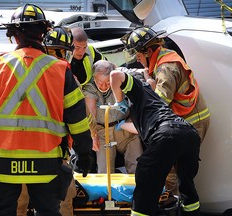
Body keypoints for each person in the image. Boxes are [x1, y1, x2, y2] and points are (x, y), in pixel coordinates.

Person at [0, 4, 93, 216]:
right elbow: (77, 120)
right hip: (46, 161)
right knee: (48, 211)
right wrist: (85, 153)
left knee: (2, 211)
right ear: (43, 34)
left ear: (12, 35)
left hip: (3, 162)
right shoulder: (60, 70)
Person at [121, 26, 210, 195]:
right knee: (179, 170)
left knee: (172, 170)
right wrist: (148, 77)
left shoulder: (166, 68)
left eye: (138, 56)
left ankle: (172, 203)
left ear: (147, 51)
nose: (138, 61)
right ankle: (180, 202)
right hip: (185, 121)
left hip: (191, 121)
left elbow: (159, 103)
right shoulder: (162, 59)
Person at [110, 68, 201, 216]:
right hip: (188, 133)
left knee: (146, 182)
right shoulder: (150, 94)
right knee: (186, 185)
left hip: (167, 134)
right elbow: (141, 127)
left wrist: (119, 101)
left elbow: (115, 75)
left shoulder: (137, 88)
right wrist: (121, 126)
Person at [16, 26, 78, 216]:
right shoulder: (65, 76)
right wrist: (84, 151)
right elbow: (80, 118)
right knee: (61, 202)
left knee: (18, 202)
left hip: (14, 154)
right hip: (52, 154)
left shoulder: (17, 68)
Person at [83, 60, 142, 174]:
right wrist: (93, 135)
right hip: (103, 133)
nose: (104, 86)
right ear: (94, 77)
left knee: (137, 166)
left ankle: (137, 191)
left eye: (107, 82)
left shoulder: (119, 79)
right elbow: (92, 113)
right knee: (105, 171)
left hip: (125, 130)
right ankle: (108, 192)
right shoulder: (90, 89)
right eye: (100, 81)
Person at [70, 27, 107, 173]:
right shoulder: (64, 56)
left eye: (84, 47)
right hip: (72, 103)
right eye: (77, 47)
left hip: (88, 98)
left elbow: (107, 67)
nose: (81, 51)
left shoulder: (91, 52)